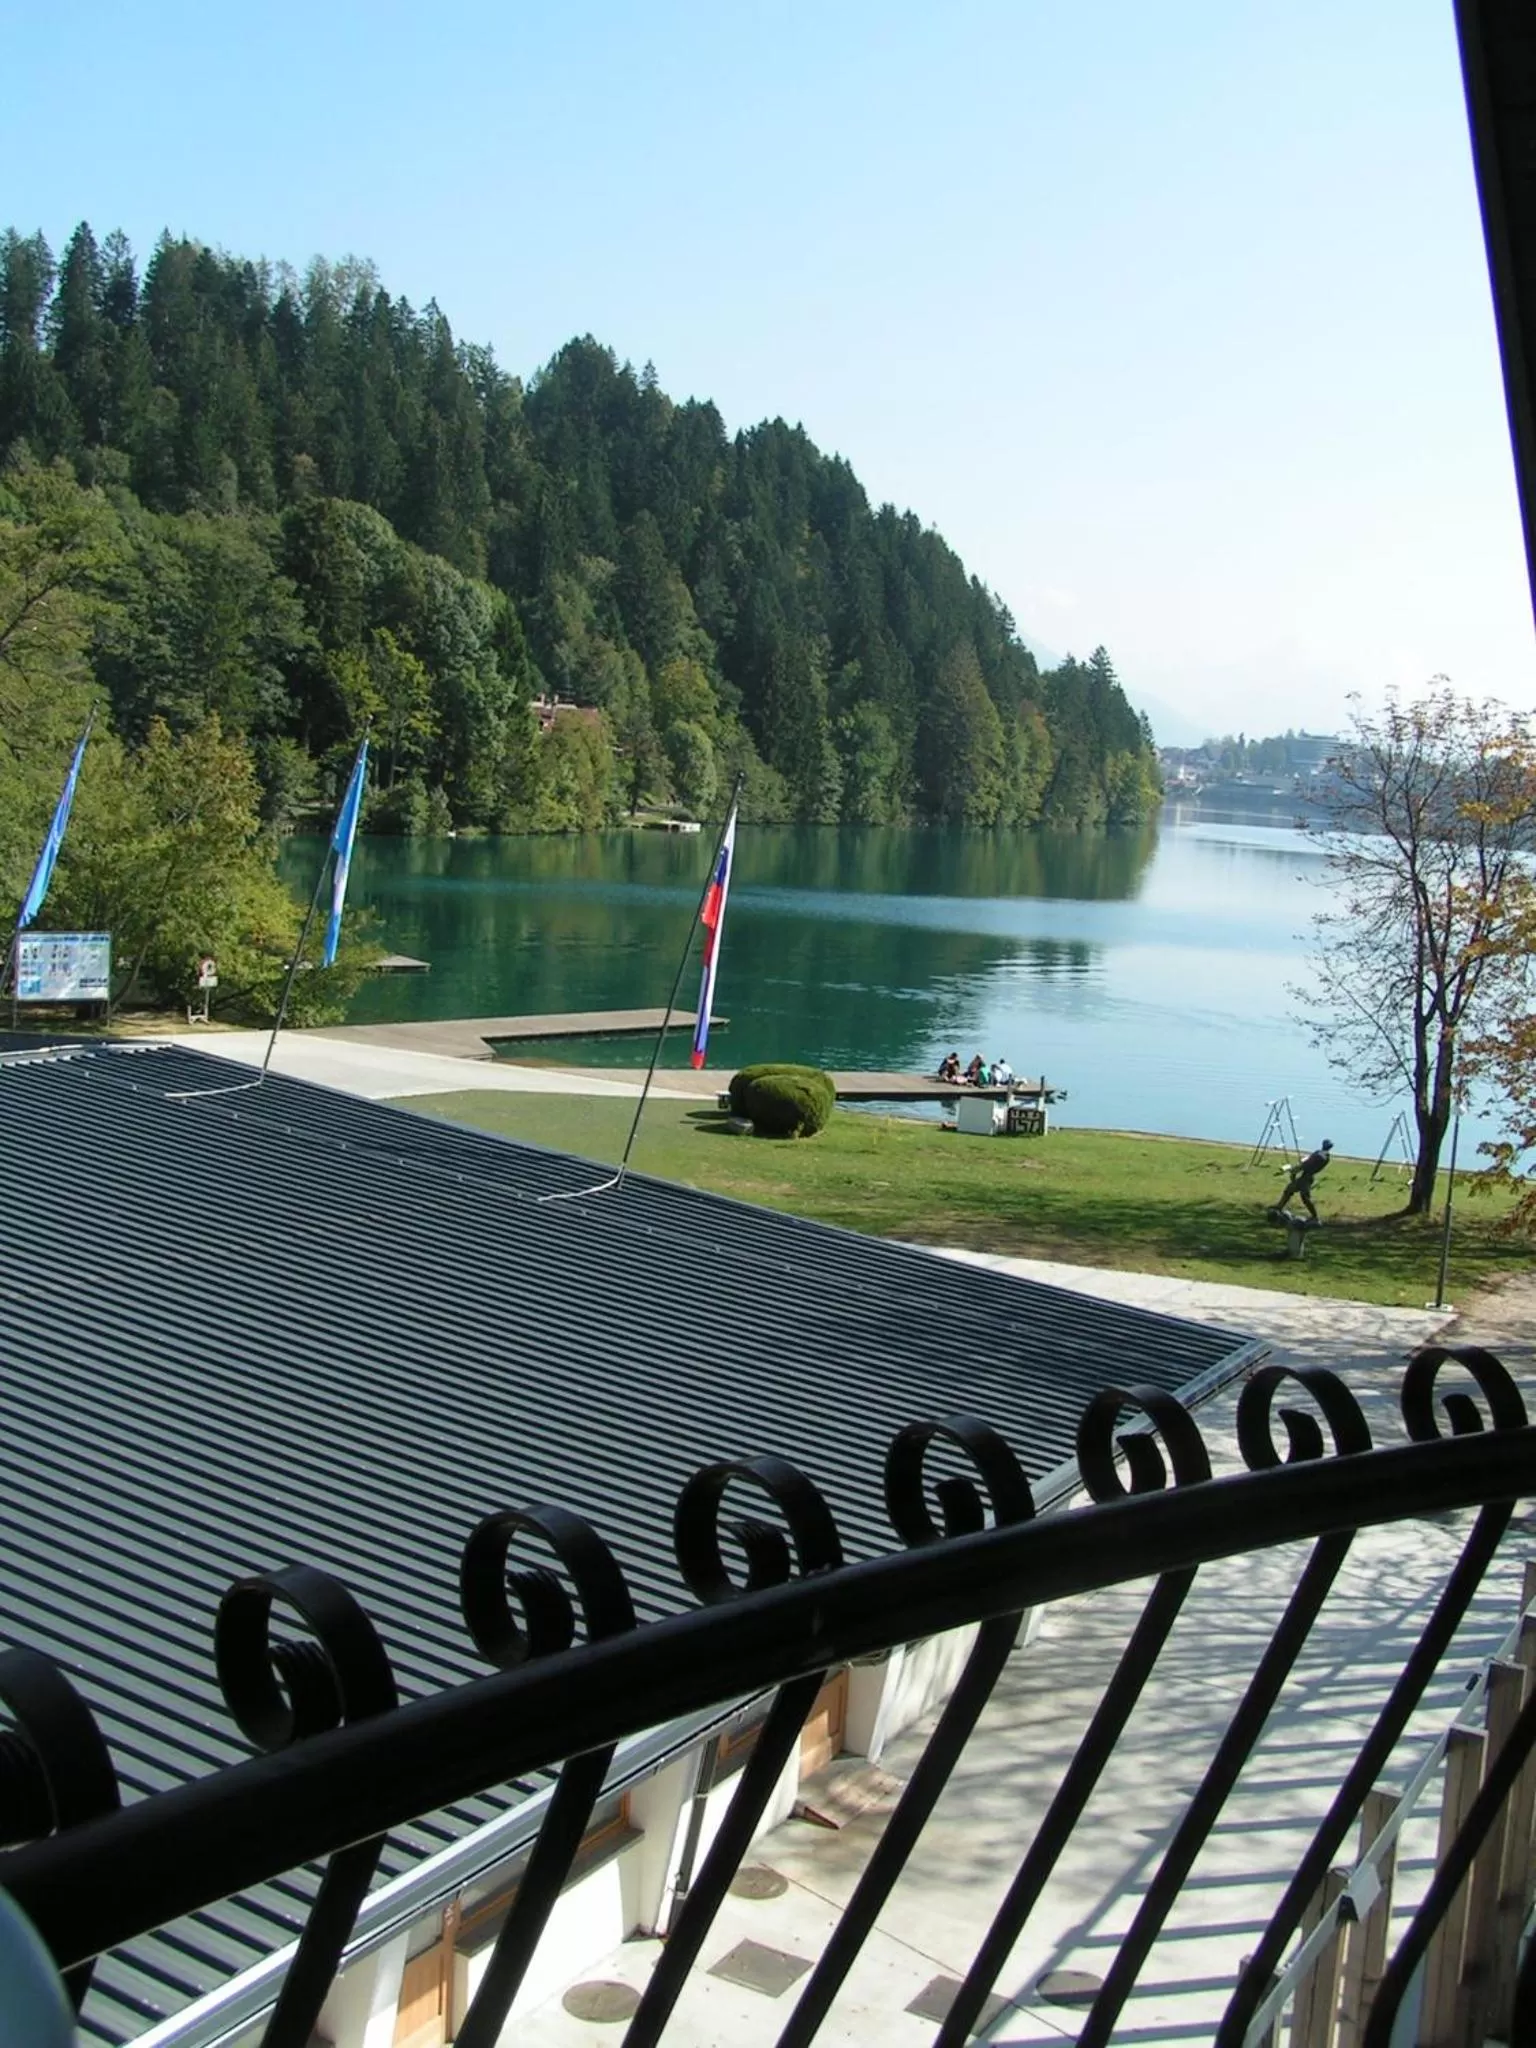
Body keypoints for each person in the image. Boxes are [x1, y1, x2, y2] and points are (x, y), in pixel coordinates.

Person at [1277, 1139, 1334, 1220]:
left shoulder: (1320, 1156)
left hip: (1306, 1178)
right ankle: (1279, 1207)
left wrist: (1296, 1170)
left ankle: (1315, 1216)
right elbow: (1308, 1161)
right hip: (1306, 1176)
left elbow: (1308, 1164)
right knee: (1290, 1190)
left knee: (1304, 1197)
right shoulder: (1323, 1155)